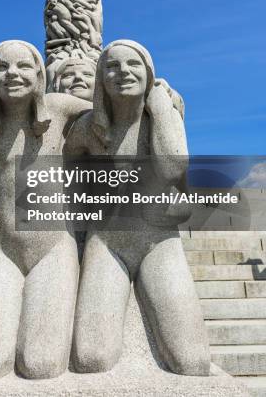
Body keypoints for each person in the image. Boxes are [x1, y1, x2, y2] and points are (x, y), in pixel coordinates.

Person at [64, 40, 210, 376]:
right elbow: (65, 171)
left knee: (192, 360)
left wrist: (160, 109)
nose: (123, 72)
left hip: (158, 241)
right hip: (108, 242)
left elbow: (173, 165)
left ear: (149, 73)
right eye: (112, 66)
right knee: (91, 358)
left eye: (133, 64)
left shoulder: (163, 113)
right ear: (101, 78)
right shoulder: (88, 127)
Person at [0, 40, 91, 381]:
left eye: (22, 66)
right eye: (2, 67)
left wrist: (159, 92)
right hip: (1, 247)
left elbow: (114, 104)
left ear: (38, 73)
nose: (12, 74)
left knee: (41, 365)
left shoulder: (60, 108)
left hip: (53, 249)